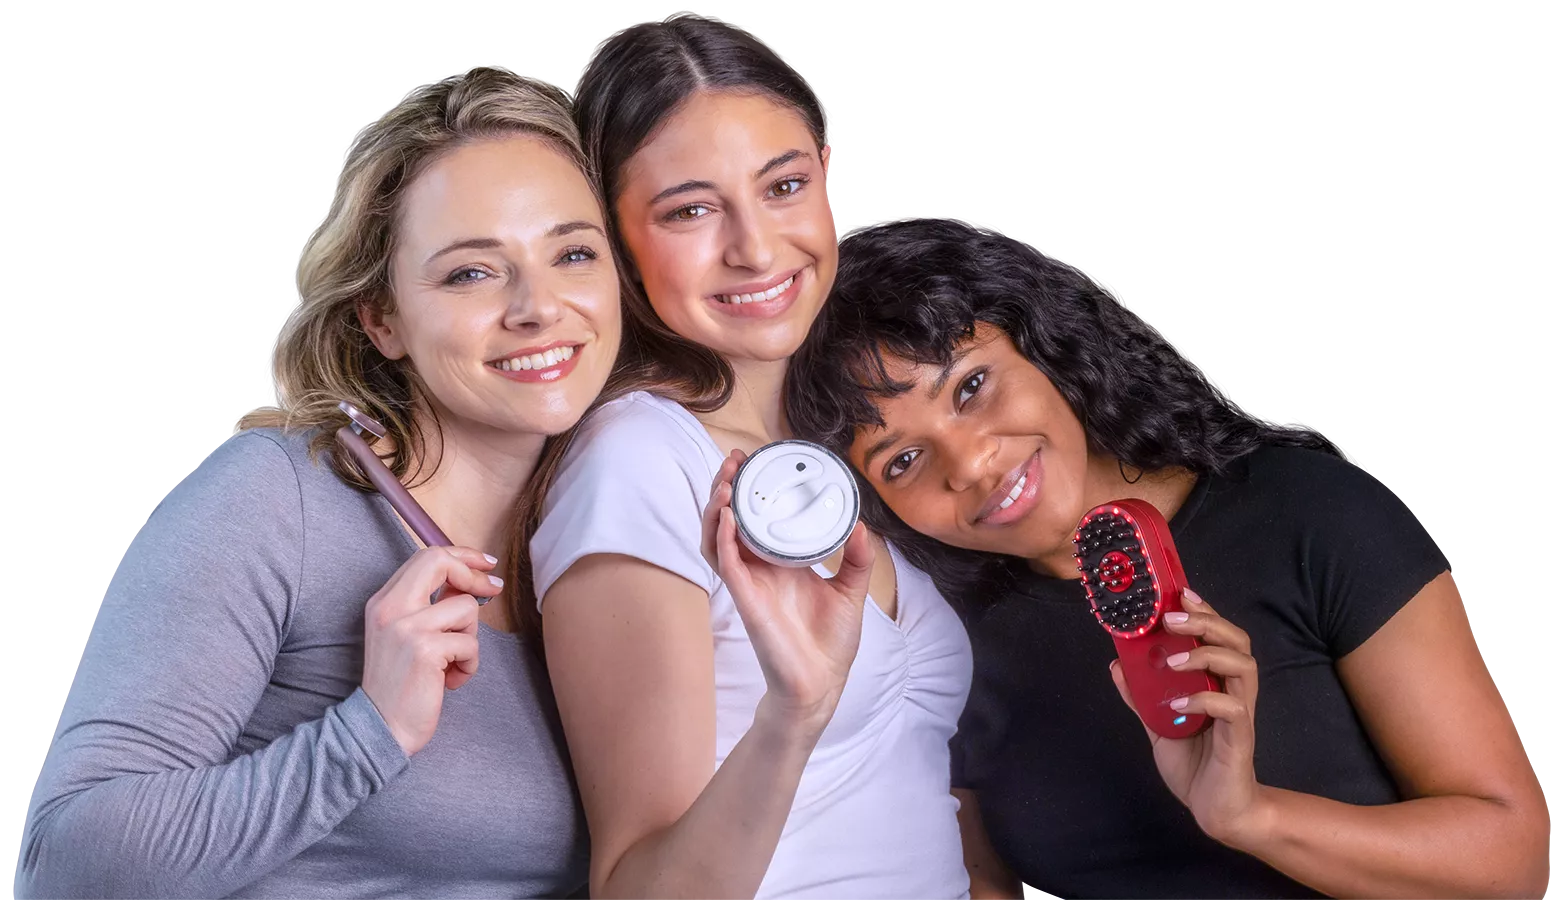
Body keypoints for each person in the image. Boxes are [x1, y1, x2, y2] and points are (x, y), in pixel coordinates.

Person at [785, 215, 1552, 900]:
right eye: (900, 460)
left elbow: (1512, 863)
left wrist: (1251, 817)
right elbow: (976, 883)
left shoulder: (1306, 513)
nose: (971, 465)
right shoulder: (940, 637)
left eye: (972, 386)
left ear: (1045, 347)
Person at [15, 66, 619, 900]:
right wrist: (369, 732)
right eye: (470, 273)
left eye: (574, 253)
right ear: (383, 319)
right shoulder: (274, 502)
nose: (538, 306)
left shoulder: (623, 527)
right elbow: (65, 866)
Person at [529, 16, 973, 900]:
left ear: (825, 173)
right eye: (689, 210)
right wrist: (794, 714)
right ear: (614, 242)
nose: (757, 248)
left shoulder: (830, 438)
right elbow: (636, 888)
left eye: (783, 185)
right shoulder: (640, 463)